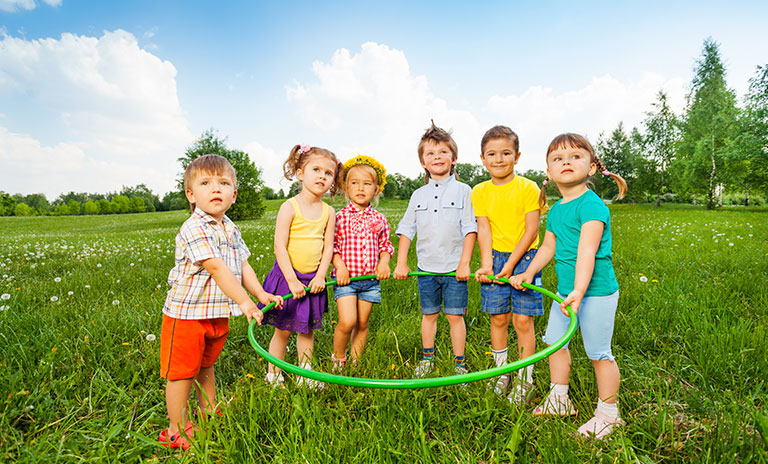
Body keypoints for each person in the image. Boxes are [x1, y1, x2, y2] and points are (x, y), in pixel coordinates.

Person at [159, 154, 283, 450]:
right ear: (191, 194)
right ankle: (176, 428)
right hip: (187, 314)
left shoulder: (230, 227)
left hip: (216, 313)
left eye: (223, 183)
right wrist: (244, 303)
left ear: (234, 195)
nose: (216, 189)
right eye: (205, 183)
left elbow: (242, 266)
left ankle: (209, 410)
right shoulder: (194, 226)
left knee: (207, 365)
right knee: (181, 373)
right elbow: (216, 267)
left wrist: (261, 295)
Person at [510, 133, 627, 439]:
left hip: (596, 292)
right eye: (557, 158)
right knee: (554, 342)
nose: (566, 162)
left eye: (575, 156)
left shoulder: (592, 206)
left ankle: (609, 414)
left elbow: (586, 251)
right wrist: (528, 272)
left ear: (591, 168)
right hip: (566, 292)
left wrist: (578, 290)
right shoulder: (558, 210)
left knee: (599, 352)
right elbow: (548, 248)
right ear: (548, 172)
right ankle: (559, 398)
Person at [394, 121, 477, 378]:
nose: (437, 157)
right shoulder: (418, 195)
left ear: (454, 158)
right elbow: (407, 229)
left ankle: (459, 365)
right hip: (425, 268)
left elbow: (470, 229)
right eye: (430, 153)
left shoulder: (465, 191)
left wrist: (465, 263)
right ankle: (427, 360)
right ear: (423, 162)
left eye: (442, 152)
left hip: (454, 268)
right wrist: (401, 262)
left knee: (454, 317)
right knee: (428, 315)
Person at [260, 144, 342, 389]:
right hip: (287, 279)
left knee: (306, 331)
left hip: (312, 281)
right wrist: (292, 281)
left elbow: (328, 247)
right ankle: (274, 374)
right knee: (283, 330)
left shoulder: (329, 212)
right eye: (316, 169)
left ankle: (305, 374)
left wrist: (320, 276)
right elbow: (279, 247)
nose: (322, 176)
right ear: (300, 173)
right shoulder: (290, 207)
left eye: (328, 173)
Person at [472, 125, 543, 404]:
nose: (499, 159)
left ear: (517, 156)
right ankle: (501, 371)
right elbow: (484, 229)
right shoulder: (479, 191)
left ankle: (526, 378)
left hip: (525, 259)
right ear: (482, 158)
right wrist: (488, 264)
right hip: (496, 257)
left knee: (522, 320)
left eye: (505, 153)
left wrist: (511, 264)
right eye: (492, 154)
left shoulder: (529, 187)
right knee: (498, 317)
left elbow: (531, 231)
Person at [331, 155, 394, 370]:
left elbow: (386, 245)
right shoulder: (339, 217)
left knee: (362, 323)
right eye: (354, 183)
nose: (360, 188)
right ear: (346, 187)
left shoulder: (379, 218)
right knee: (347, 321)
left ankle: (356, 362)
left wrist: (383, 263)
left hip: (370, 281)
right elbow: (332, 246)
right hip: (346, 280)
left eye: (367, 184)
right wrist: (340, 266)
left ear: (376, 189)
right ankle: (338, 360)